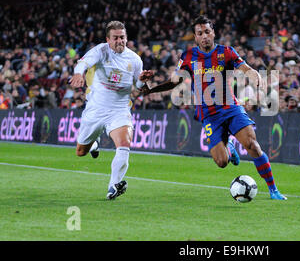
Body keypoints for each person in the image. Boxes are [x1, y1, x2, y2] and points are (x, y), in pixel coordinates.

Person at [141, 15, 287, 200]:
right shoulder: (188, 57)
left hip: (230, 107)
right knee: (222, 162)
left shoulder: (226, 52)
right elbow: (173, 81)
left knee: (252, 145)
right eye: (200, 33)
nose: (204, 36)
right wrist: (152, 88)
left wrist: (254, 74)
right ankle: (229, 146)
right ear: (195, 37)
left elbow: (244, 67)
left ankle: (273, 189)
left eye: (207, 32)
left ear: (213, 33)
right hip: (208, 115)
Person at [69, 21, 153, 200]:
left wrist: (143, 81)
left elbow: (139, 87)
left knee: (124, 144)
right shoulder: (101, 51)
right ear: (108, 39)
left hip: (119, 110)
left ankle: (113, 186)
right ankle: (94, 143)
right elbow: (83, 63)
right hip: (96, 109)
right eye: (115, 38)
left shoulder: (135, 59)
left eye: (122, 37)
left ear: (126, 38)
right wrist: (78, 74)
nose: (119, 41)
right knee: (80, 152)